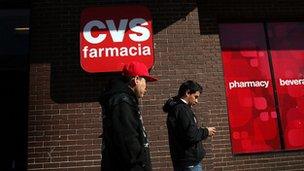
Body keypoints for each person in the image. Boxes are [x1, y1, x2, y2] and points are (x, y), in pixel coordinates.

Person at [99, 61, 157, 171]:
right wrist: (139, 166)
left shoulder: (122, 99)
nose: (146, 88)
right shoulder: (122, 101)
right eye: (145, 81)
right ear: (136, 80)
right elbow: (127, 137)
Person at [163, 80, 216, 171]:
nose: (197, 101)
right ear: (187, 93)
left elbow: (186, 132)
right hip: (189, 162)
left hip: (184, 161)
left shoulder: (177, 108)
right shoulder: (182, 110)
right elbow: (191, 135)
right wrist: (206, 131)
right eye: (195, 97)